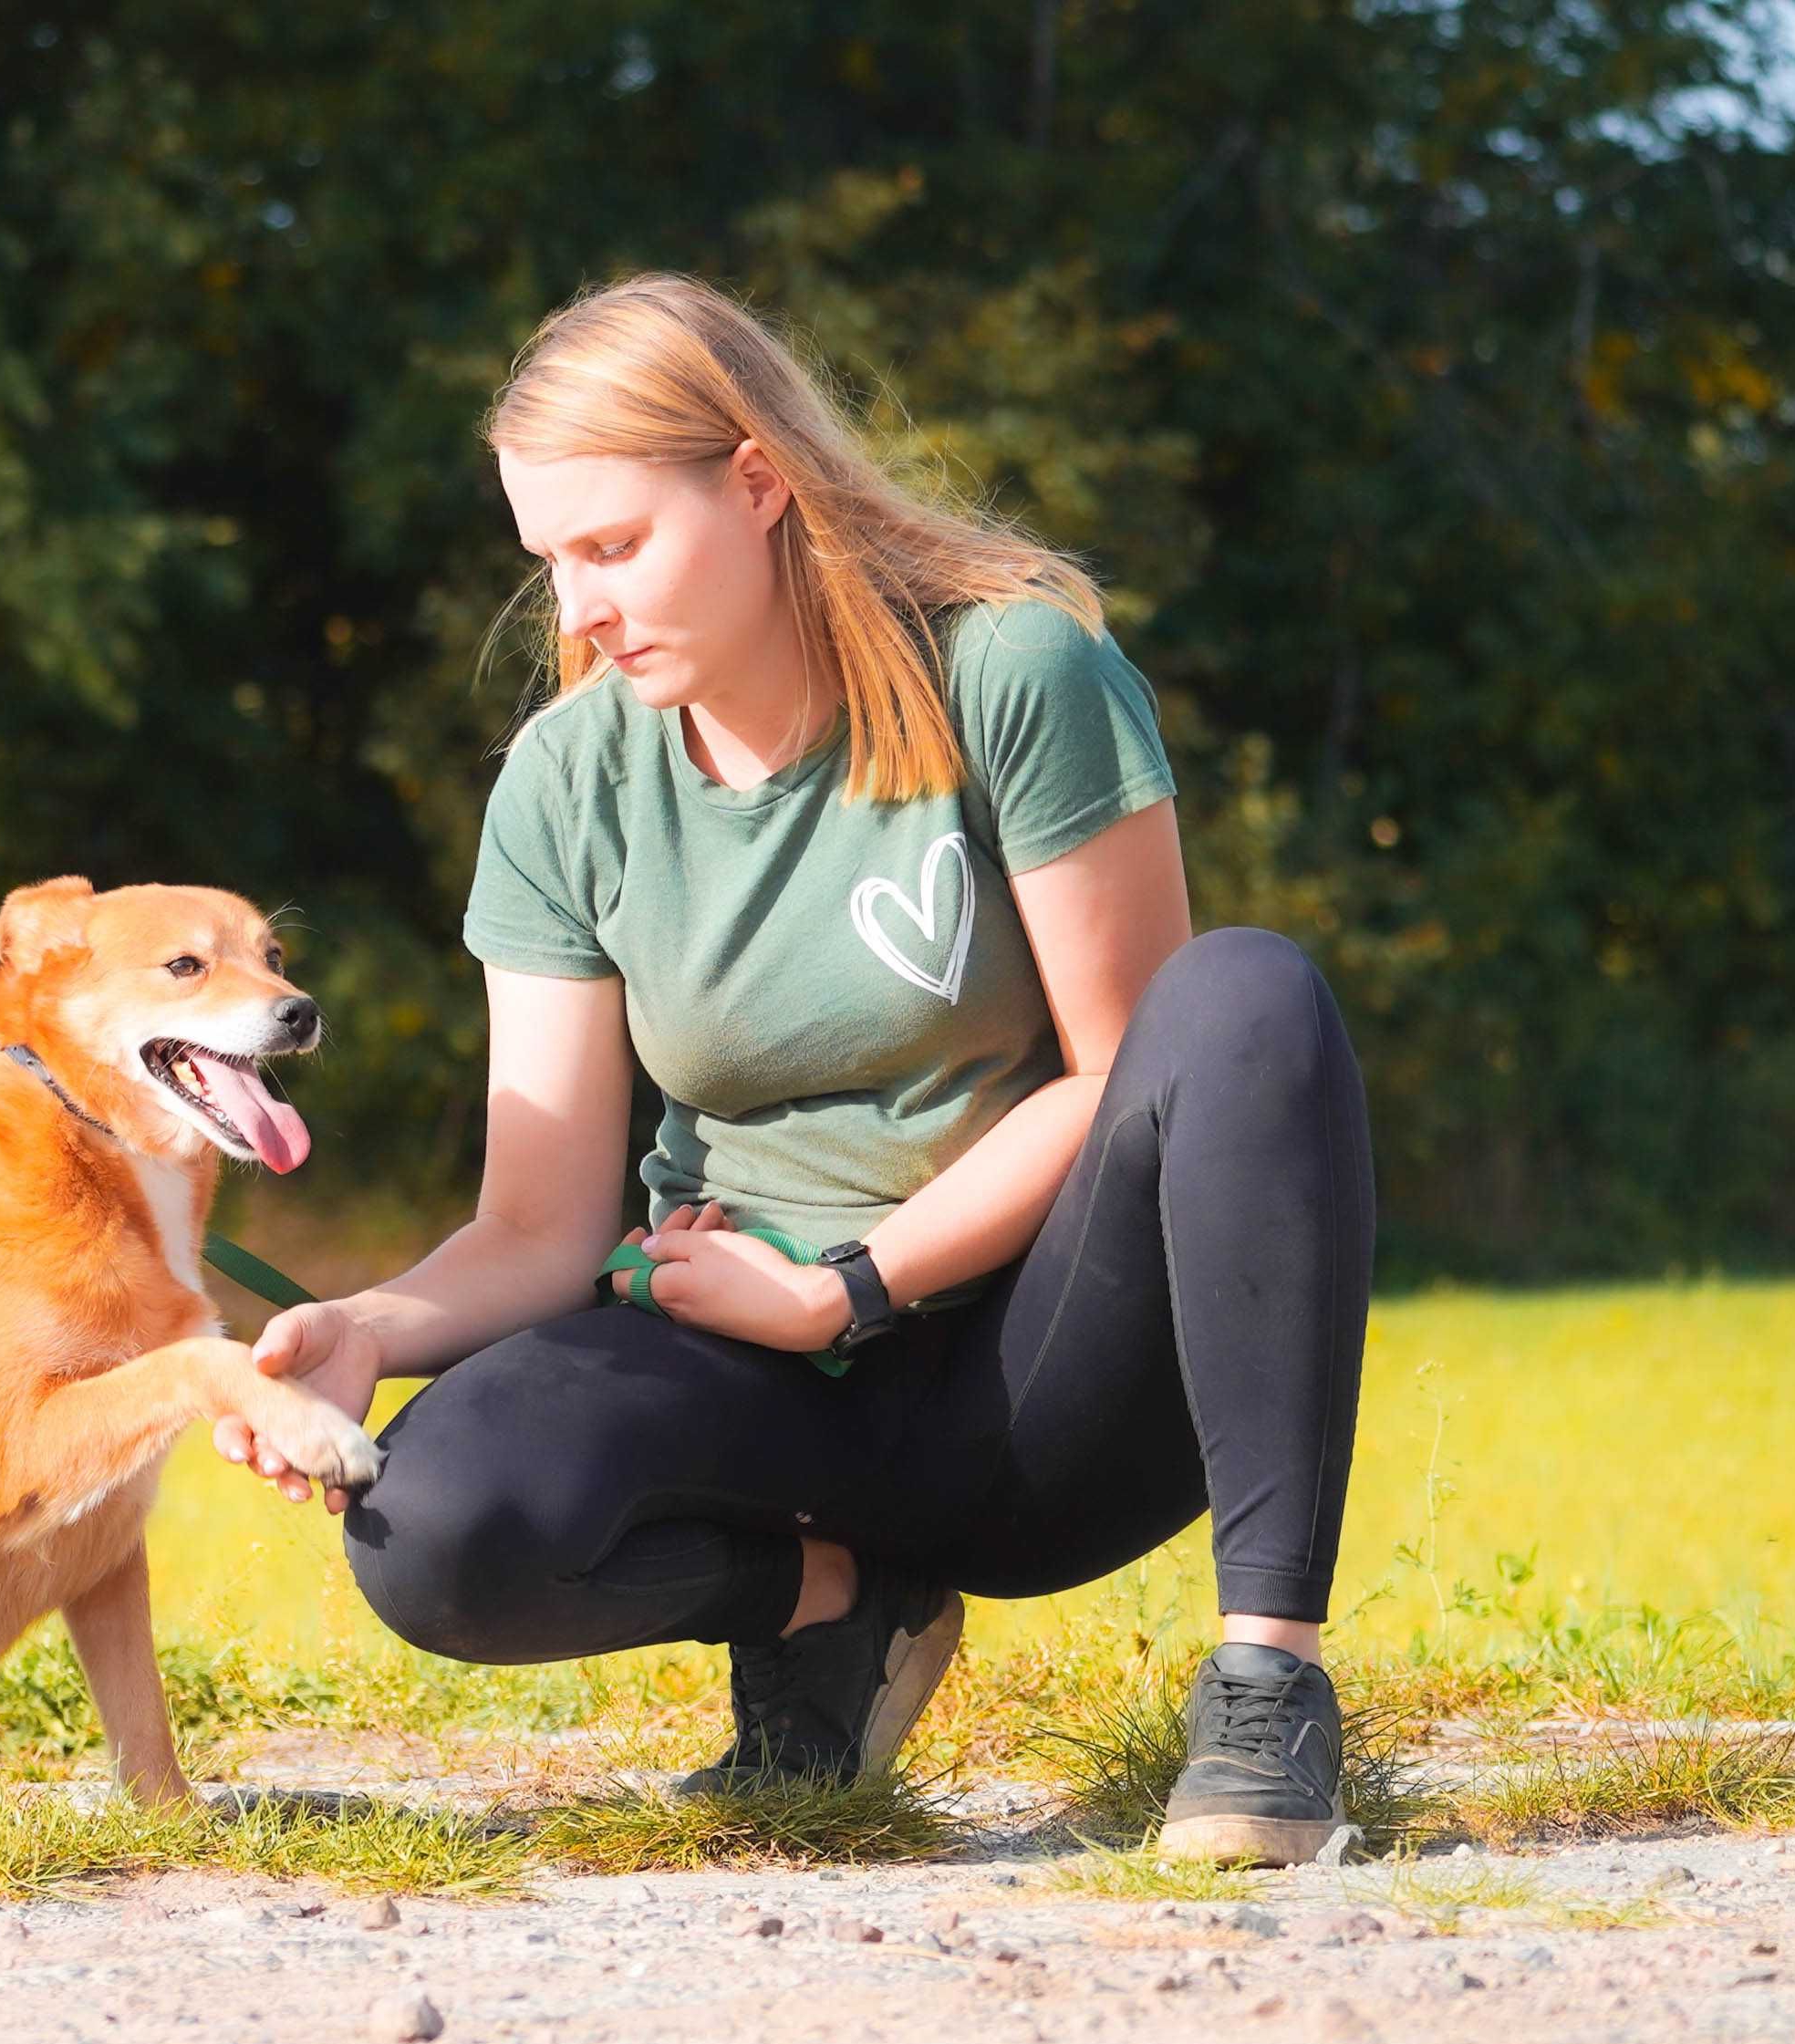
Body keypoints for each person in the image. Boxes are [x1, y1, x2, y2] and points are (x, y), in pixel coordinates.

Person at [209, 273, 1374, 1862]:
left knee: (1246, 994)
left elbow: (1129, 1074)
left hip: (1044, 1385)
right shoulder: (566, 782)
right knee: (434, 1527)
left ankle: (1268, 1692)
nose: (582, 612)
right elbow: (542, 1227)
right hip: (764, 1400)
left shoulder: (1013, 677)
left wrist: (852, 1286)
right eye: (550, 562)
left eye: (613, 547)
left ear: (758, 481)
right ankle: (841, 1618)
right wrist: (363, 1326)